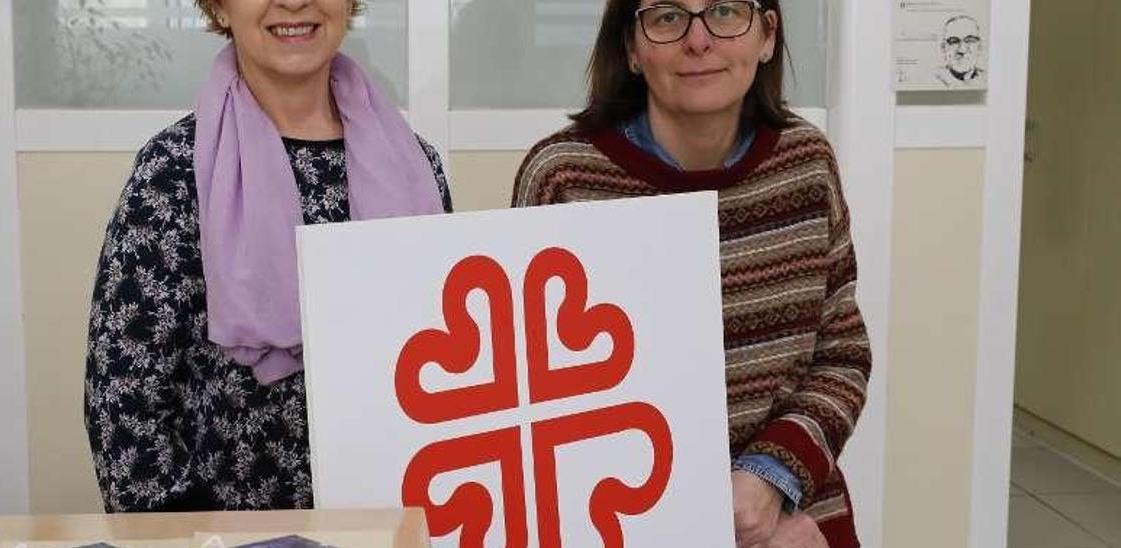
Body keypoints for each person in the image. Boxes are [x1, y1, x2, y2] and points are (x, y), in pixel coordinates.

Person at [511, 1, 870, 547]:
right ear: (631, 48)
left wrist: (771, 479)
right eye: (667, 17)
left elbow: (842, 354)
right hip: (622, 522)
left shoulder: (808, 163)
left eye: (725, 11)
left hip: (792, 523)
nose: (699, 41)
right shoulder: (563, 179)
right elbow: (532, 395)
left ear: (767, 36)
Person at [84, 0, 451, 512]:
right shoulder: (173, 173)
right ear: (218, 6)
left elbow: (448, 366)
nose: (295, 3)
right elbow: (124, 402)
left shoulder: (416, 166)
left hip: (396, 518)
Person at [933, 15, 985, 88]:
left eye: (970, 40)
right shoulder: (935, 80)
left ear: (979, 47)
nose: (962, 50)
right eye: (954, 41)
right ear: (943, 48)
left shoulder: (986, 79)